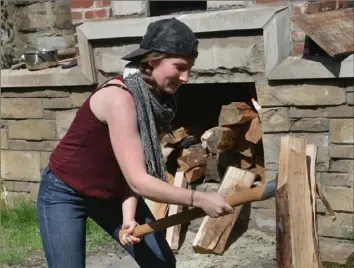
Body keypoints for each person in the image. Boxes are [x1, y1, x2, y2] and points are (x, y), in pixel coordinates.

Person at [37, 18, 234, 268]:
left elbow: (134, 169)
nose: (186, 77)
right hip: (64, 191)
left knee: (161, 264)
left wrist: (128, 216)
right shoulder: (120, 98)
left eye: (190, 68)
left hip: (110, 192)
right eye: (180, 66)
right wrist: (199, 198)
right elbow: (139, 181)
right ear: (152, 61)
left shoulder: (157, 100)